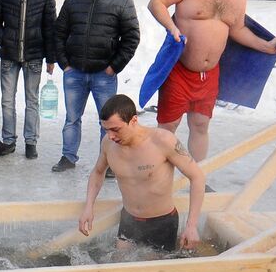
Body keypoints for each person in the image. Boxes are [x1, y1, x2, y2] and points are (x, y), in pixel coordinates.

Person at [147, 0, 276, 162]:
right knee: (168, 125)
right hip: (180, 69)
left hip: (209, 74)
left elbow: (237, 29)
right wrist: (171, 27)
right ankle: (157, 176)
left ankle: (198, 176)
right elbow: (157, 3)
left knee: (200, 125)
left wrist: (265, 46)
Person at [78, 94, 205, 253]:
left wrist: (191, 226)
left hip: (162, 222)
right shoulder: (108, 144)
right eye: (106, 130)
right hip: (129, 219)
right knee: (119, 266)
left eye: (116, 129)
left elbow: (197, 177)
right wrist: (88, 207)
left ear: (134, 120)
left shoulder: (163, 141)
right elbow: (97, 172)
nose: (110, 136)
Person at [52, 0, 140, 172]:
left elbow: (131, 38)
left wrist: (114, 66)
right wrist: (65, 63)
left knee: (110, 122)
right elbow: (59, 33)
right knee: (72, 118)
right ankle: (68, 157)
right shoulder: (73, 0)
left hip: (104, 74)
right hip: (75, 73)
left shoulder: (122, 1)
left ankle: (109, 162)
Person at [0, 0, 56, 160]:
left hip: (34, 54)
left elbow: (50, 25)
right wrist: (3, 39)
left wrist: (51, 56)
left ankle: (31, 141)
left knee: (31, 100)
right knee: (7, 100)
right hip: (9, 55)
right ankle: (9, 141)